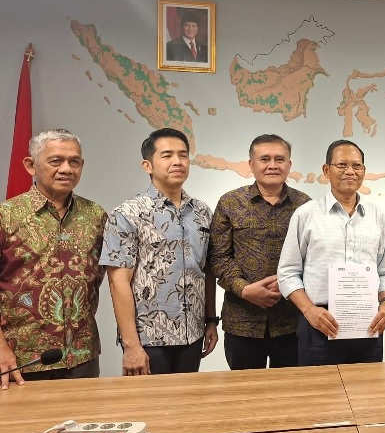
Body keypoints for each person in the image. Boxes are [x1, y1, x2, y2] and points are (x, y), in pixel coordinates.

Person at [100, 128, 217, 375]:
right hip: (148, 338)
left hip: (193, 334)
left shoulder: (202, 212)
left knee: (187, 399)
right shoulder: (127, 214)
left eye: (183, 155)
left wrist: (210, 320)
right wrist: (131, 345)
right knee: (149, 401)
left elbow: (206, 271)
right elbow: (118, 282)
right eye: (167, 155)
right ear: (148, 165)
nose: (177, 161)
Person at [0, 129, 106, 388]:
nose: (66, 169)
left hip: (83, 357)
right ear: (31, 165)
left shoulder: (96, 216)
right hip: (21, 361)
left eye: (74, 161)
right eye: (56, 161)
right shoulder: (6, 216)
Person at [277, 139, 385, 366]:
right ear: (326, 170)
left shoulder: (377, 216)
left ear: (364, 171)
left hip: (368, 325)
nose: (350, 171)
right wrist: (309, 311)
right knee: (319, 389)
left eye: (357, 166)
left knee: (366, 387)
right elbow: (288, 273)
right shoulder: (306, 214)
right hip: (319, 324)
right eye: (342, 165)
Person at [209, 134, 310, 369]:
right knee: (245, 389)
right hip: (242, 321)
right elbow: (218, 256)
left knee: (292, 388)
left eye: (279, 159)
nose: (273, 165)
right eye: (265, 159)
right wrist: (244, 289)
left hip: (292, 320)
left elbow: (313, 257)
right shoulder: (230, 202)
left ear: (289, 165)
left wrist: (289, 285)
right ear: (251, 164)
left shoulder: (305, 205)